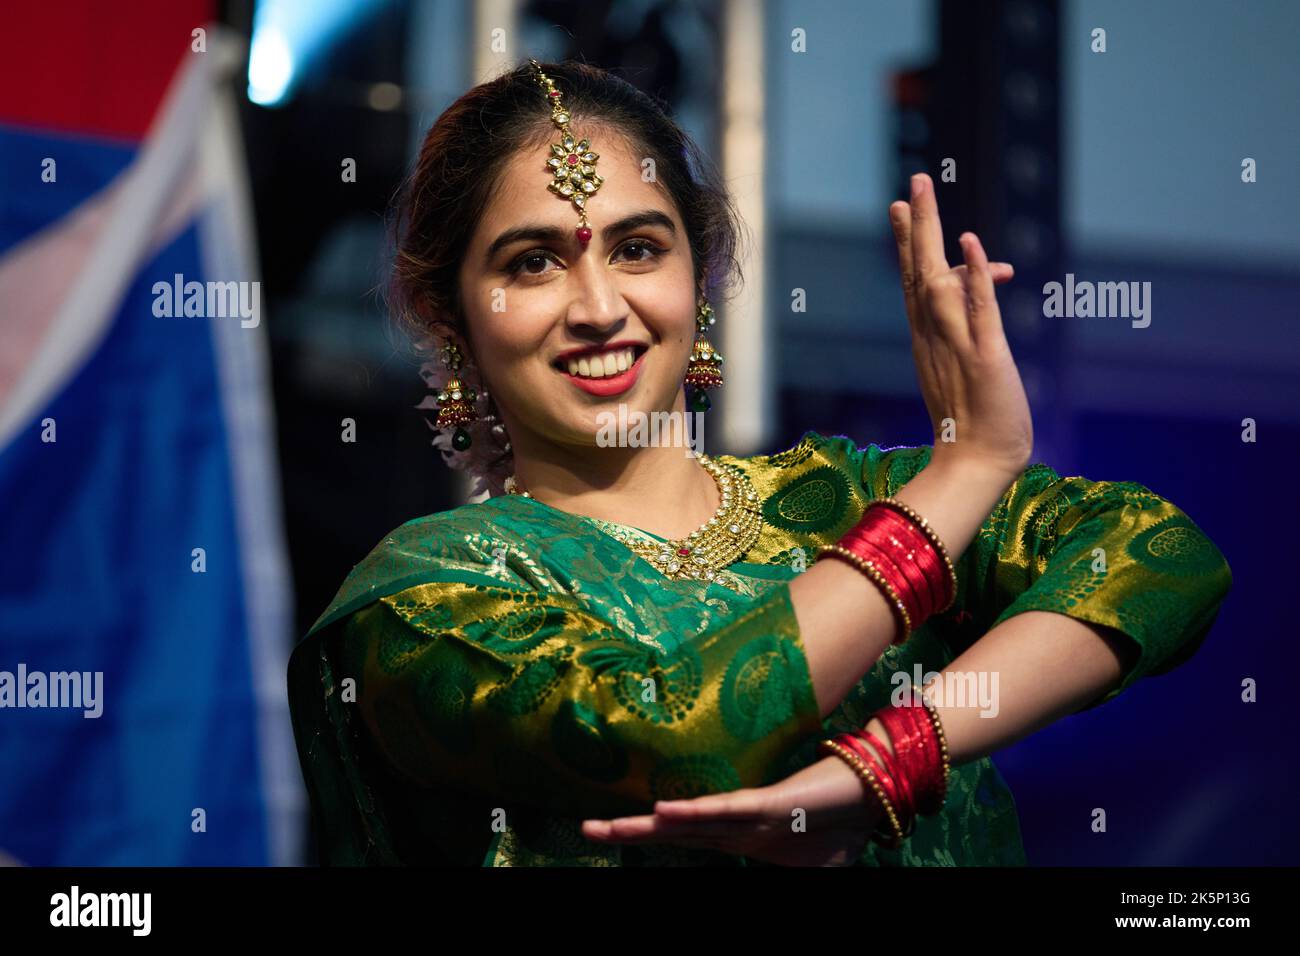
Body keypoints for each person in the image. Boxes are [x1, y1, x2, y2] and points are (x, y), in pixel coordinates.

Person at [286, 59, 1232, 866]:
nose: (598, 306)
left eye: (639, 248)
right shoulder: (421, 605)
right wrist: (965, 472)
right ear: (452, 318)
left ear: (698, 281)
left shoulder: (850, 499)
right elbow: (677, 735)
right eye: (532, 263)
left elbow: (1165, 559)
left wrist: (892, 762)